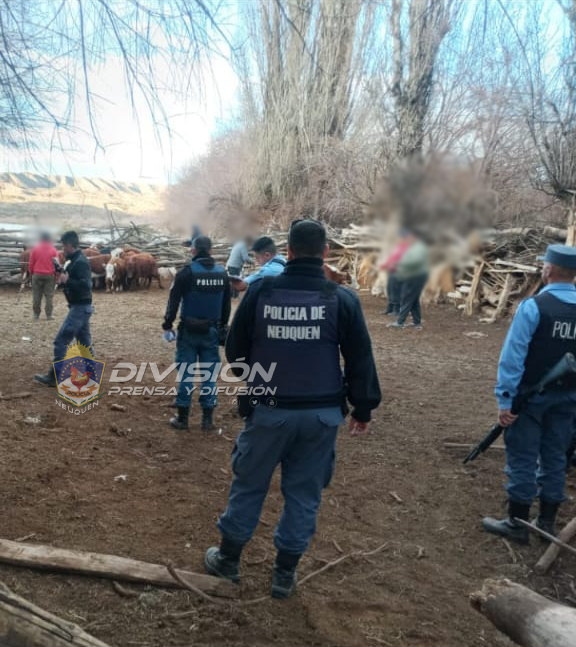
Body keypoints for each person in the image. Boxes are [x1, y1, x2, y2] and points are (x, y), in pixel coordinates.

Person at [204, 219, 381, 598]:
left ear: (289, 251)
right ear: (326, 254)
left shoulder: (262, 291)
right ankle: (284, 574)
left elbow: (234, 351)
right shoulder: (342, 298)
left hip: (268, 411)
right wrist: (363, 408)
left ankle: (229, 560)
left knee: (249, 483)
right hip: (321, 417)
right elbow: (361, 358)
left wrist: (257, 377)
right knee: (304, 494)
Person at [483, 244, 576, 544]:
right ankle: (546, 523)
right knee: (555, 456)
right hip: (568, 398)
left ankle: (518, 522)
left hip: (529, 397)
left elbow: (513, 358)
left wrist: (506, 399)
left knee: (523, 456)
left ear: (548, 270)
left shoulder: (534, 306)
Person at [162, 236, 231, 432]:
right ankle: (207, 421)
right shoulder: (222, 274)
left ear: (193, 251)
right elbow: (226, 305)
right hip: (211, 330)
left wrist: (167, 324)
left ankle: (182, 419)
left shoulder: (186, 273)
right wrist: (222, 327)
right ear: (210, 251)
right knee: (209, 374)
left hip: (189, 330)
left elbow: (173, 301)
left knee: (186, 373)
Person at [34, 231, 93, 386]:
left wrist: (68, 280)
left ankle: (54, 377)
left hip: (80, 308)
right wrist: (61, 271)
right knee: (84, 342)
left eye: (64, 246)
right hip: (81, 307)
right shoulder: (74, 260)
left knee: (61, 341)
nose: (62, 249)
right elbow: (74, 279)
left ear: (69, 245)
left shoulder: (80, 262)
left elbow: (86, 286)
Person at [388, 231, 429, 329]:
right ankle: (417, 323)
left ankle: (400, 322)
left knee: (406, 297)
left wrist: (398, 264)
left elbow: (414, 261)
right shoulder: (416, 246)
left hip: (415, 276)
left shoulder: (418, 247)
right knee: (413, 300)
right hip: (416, 275)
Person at [29, 232, 59, 321]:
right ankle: (49, 315)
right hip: (49, 275)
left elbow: (31, 263)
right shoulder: (53, 250)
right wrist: (57, 275)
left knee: (36, 295)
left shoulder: (35, 249)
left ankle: (36, 315)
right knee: (49, 296)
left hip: (37, 274)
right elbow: (56, 265)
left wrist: (31, 272)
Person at [380, 232, 411, 316]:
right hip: (392, 270)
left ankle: (396, 309)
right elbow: (391, 258)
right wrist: (385, 265)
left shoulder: (406, 248)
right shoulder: (397, 247)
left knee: (395, 290)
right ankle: (390, 307)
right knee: (390, 288)